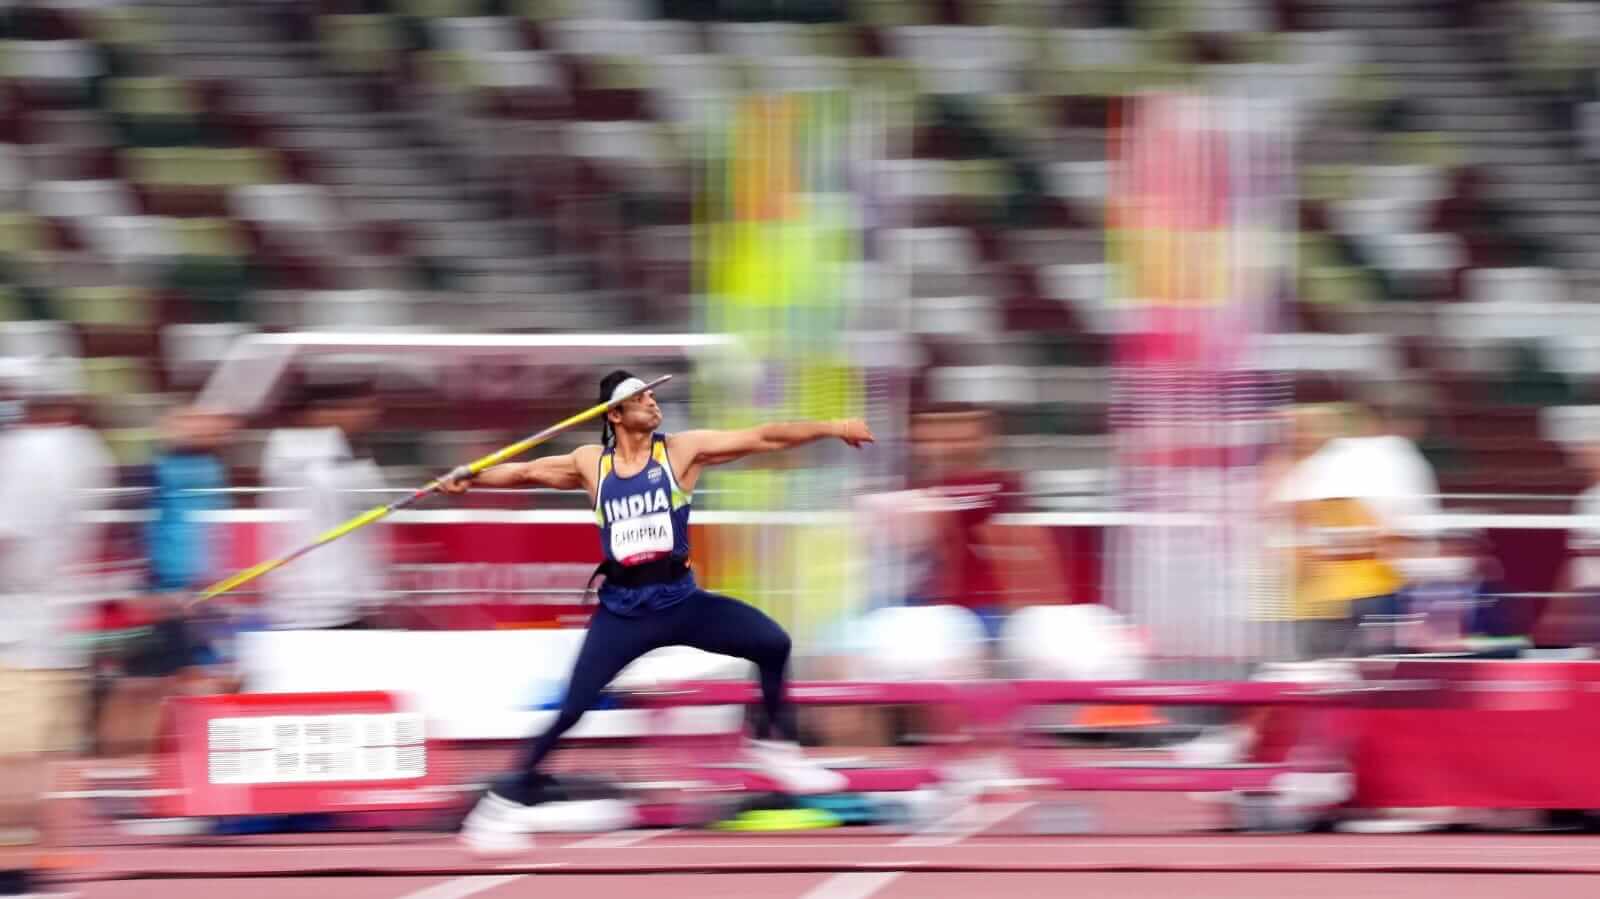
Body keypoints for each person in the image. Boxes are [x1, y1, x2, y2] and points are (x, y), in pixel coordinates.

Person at [445, 370, 873, 851]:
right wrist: (470, 477)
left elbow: (763, 437)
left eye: (653, 394)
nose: (653, 402)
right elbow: (526, 472)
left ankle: (774, 748)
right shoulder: (592, 464)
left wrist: (833, 426)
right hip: (623, 613)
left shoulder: (680, 452)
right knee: (571, 711)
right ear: (613, 414)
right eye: (640, 397)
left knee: (773, 643)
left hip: (680, 601)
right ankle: (498, 807)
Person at [0, 360, 115, 896]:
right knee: (47, 751)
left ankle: (14, 860)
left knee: (14, 749)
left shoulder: (26, 454)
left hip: (17, 622)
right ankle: (35, 855)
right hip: (62, 624)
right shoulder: (90, 451)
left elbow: (9, 536)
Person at [259, 369, 385, 633]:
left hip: (349, 601)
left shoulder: (345, 453)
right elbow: (359, 496)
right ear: (324, 411)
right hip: (312, 605)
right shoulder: (294, 451)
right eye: (360, 407)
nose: (370, 415)